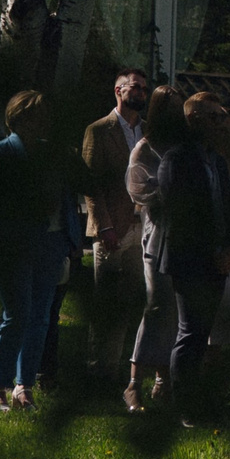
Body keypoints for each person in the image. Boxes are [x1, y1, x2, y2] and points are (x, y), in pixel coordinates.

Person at [154, 89, 230, 419]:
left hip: (220, 260)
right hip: (190, 260)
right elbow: (181, 218)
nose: (222, 123)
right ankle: (184, 407)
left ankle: (198, 401)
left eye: (223, 116)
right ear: (194, 120)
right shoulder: (176, 159)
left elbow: (227, 209)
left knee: (203, 332)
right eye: (215, 117)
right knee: (190, 332)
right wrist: (213, 254)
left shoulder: (217, 161)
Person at [0, 90, 75, 412]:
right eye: (39, 115)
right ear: (21, 117)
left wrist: (69, 241)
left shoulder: (55, 155)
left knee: (41, 317)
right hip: (14, 243)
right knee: (17, 314)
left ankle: (24, 386)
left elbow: (66, 199)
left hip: (51, 243)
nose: (46, 122)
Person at [78, 69, 151, 387]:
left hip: (142, 227)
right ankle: (98, 372)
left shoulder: (149, 131)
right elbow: (90, 185)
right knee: (107, 305)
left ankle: (127, 371)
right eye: (135, 87)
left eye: (144, 89)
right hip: (111, 230)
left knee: (137, 303)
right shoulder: (98, 130)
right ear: (118, 90)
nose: (140, 93)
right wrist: (104, 226)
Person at [123, 88, 180, 414]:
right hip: (157, 237)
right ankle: (134, 383)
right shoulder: (144, 150)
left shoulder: (183, 148)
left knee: (176, 310)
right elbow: (138, 191)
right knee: (156, 307)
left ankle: (165, 381)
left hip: (185, 238)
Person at [190, 93, 230, 355]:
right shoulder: (200, 159)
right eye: (222, 129)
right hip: (207, 230)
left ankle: (216, 356)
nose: (227, 135)